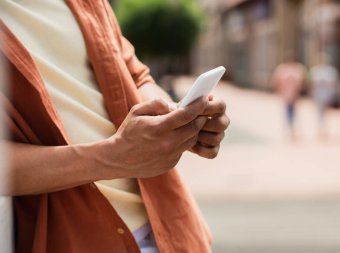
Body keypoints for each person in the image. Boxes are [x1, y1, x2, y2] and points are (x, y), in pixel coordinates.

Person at [0, 1, 230, 253]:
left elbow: (135, 75)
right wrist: (113, 157)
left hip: (167, 227)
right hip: (73, 238)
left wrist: (177, 117)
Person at [272, 56, 306, 139]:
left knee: (291, 111)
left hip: (290, 94)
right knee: (290, 111)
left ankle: (291, 128)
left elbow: (300, 83)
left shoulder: (293, 70)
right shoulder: (286, 70)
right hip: (288, 94)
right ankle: (290, 128)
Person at [309, 53, 338, 139]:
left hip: (326, 95)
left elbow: (333, 84)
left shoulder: (330, 71)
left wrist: (332, 94)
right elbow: (312, 85)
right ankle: (320, 127)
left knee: (324, 112)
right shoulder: (315, 70)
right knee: (319, 112)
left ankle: (323, 127)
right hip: (318, 95)